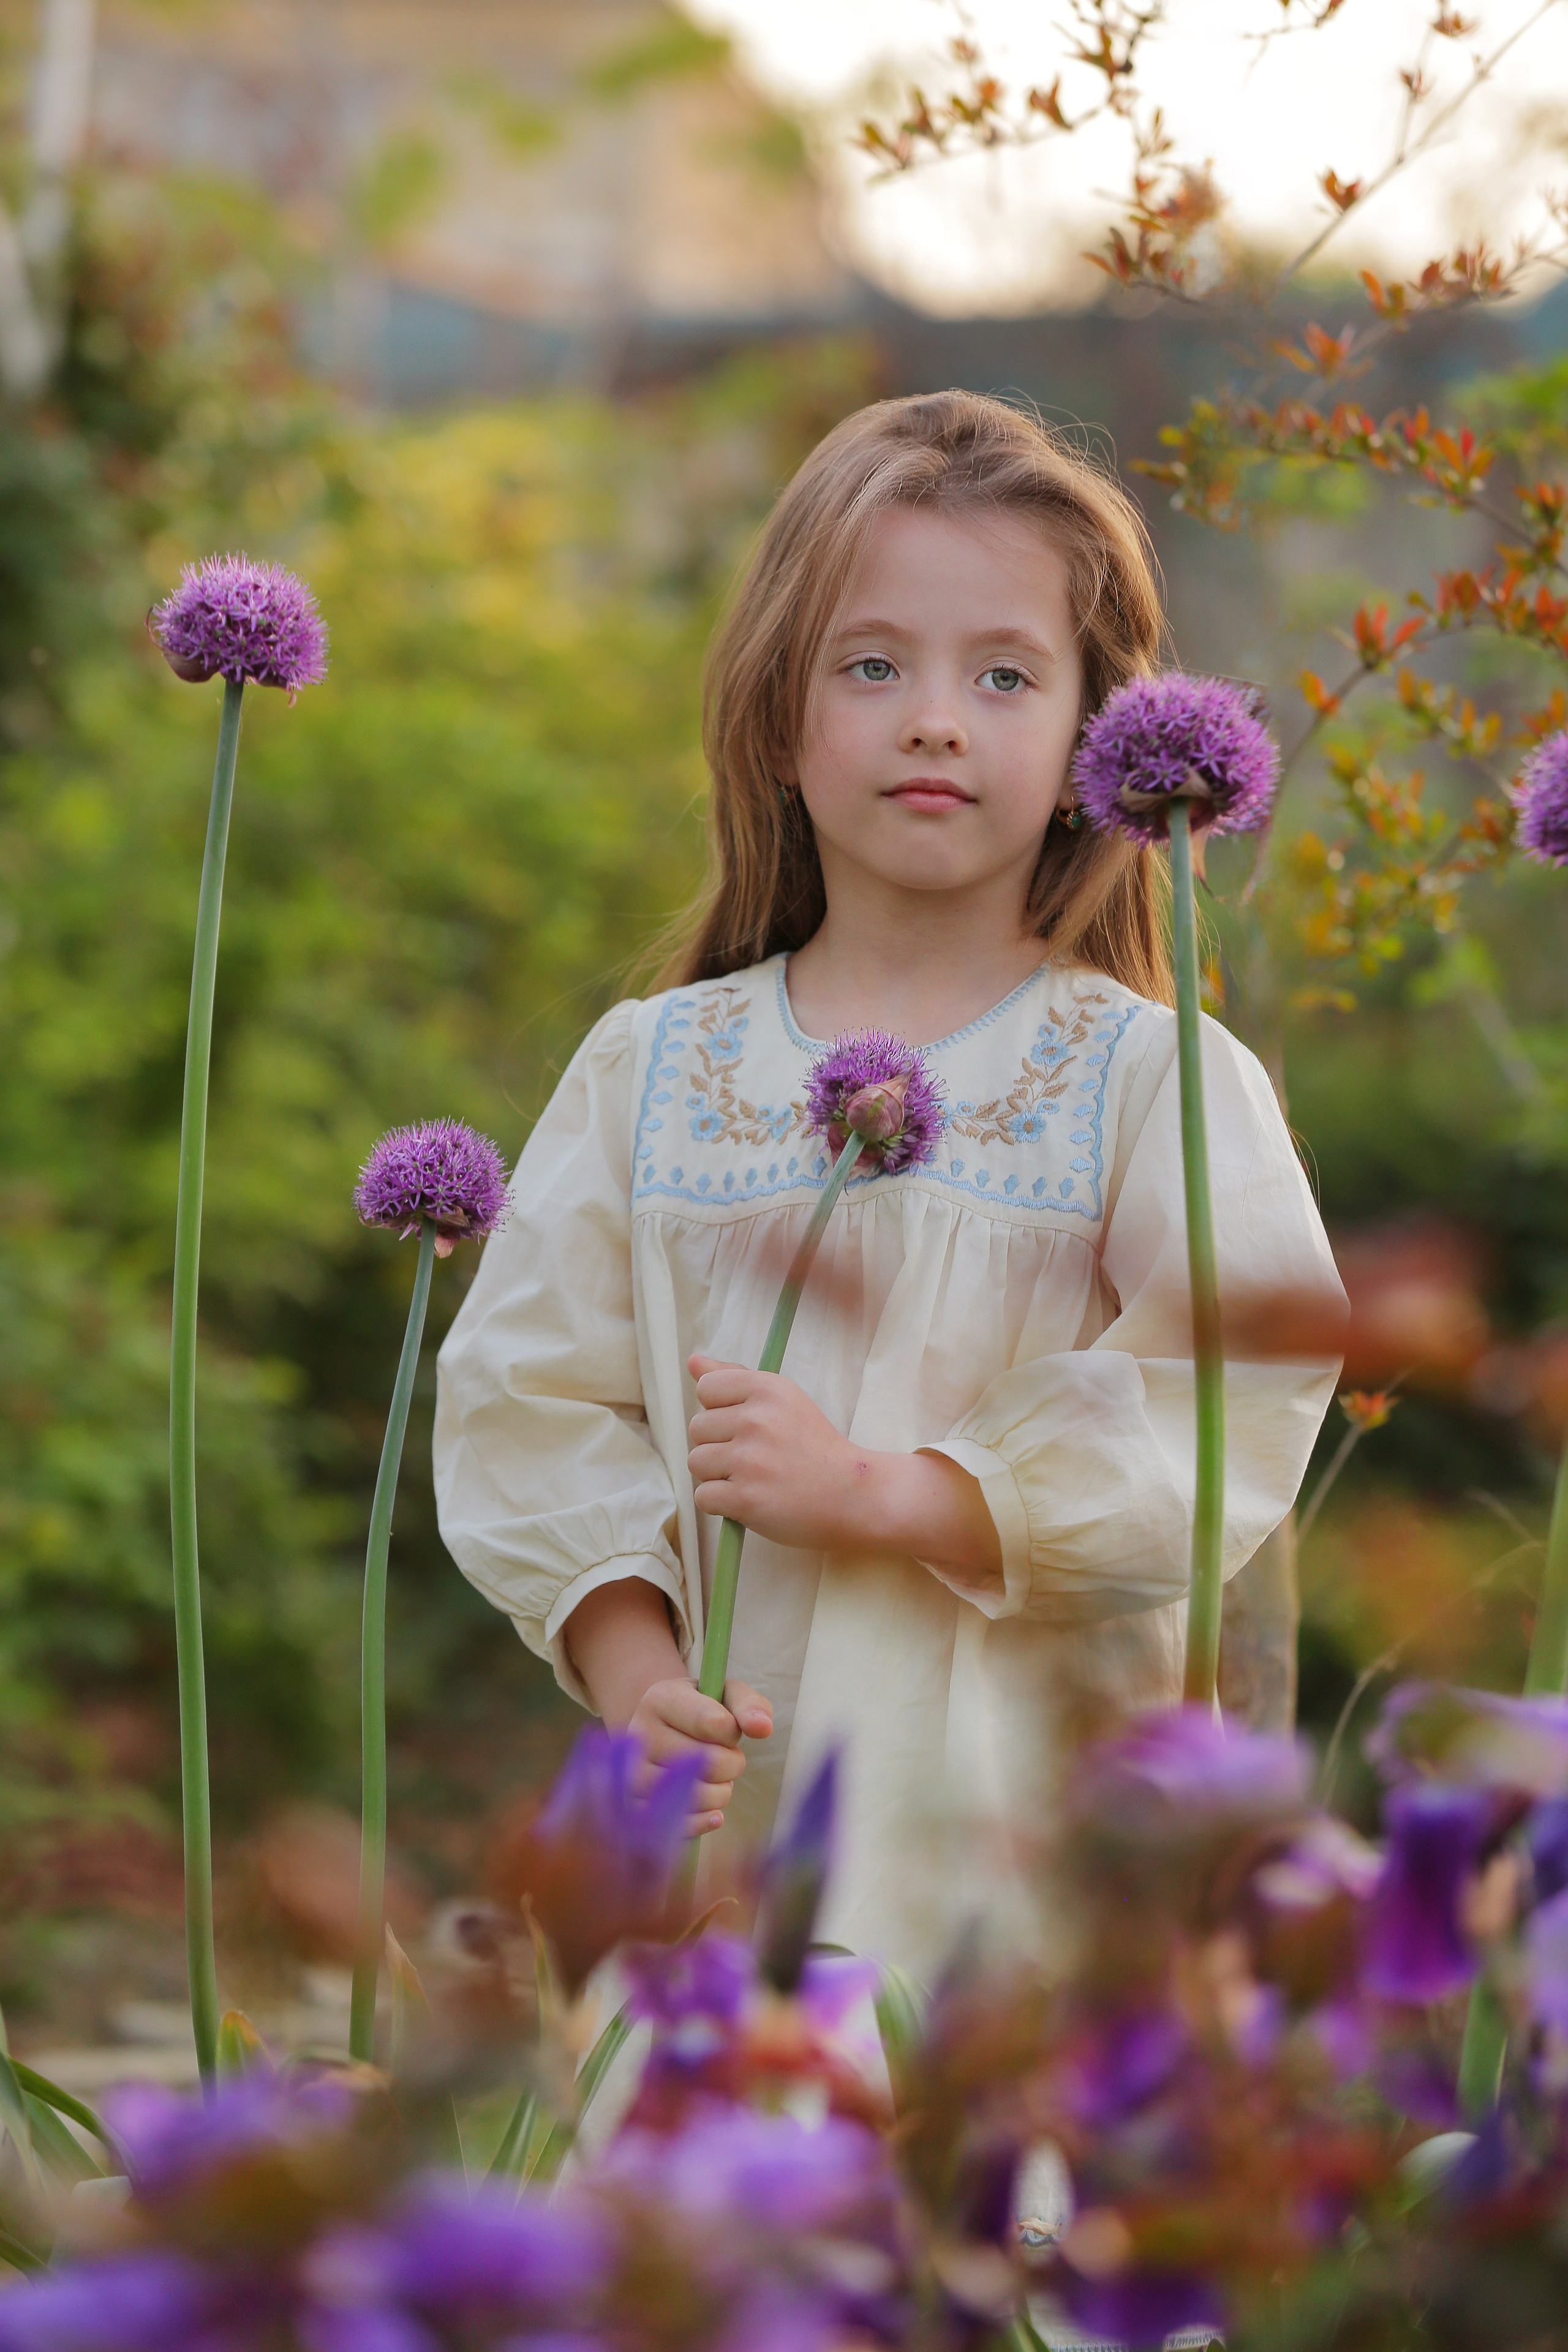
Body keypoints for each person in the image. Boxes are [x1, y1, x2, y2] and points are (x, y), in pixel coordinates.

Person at [434, 390, 1344, 1969]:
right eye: (872, 666)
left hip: (1017, 1850)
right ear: (778, 717)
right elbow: (528, 1399)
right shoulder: (658, 1068)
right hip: (731, 1839)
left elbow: (1225, 1415)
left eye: (1005, 675)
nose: (936, 720)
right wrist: (635, 1673)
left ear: (1092, 737)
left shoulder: (1149, 1080)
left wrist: (884, 1496)